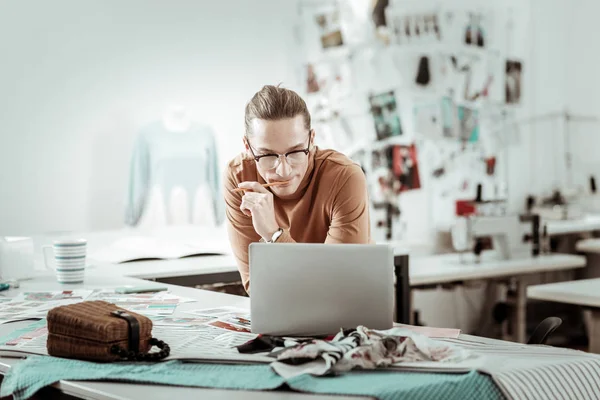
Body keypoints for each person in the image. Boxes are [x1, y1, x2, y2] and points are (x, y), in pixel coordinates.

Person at [223, 85, 371, 293]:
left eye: (295, 152)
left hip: (347, 316)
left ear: (311, 140)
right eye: (267, 155)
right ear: (247, 147)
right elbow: (258, 288)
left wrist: (273, 235)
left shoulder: (344, 177)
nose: (283, 171)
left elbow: (338, 285)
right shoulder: (238, 177)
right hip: (281, 315)